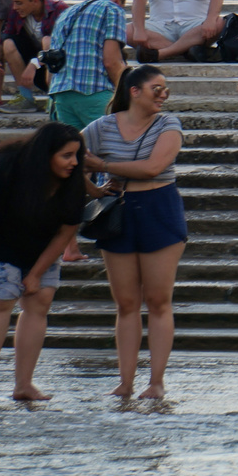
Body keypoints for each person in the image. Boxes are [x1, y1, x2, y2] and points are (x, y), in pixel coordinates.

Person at [0, 122, 89, 406]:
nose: (74, 162)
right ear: (46, 155)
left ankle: (23, 384)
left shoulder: (73, 181)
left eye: (77, 155)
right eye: (66, 155)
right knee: (1, 300)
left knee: (40, 299)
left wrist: (36, 273)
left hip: (41, 243)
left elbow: (66, 231)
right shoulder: (10, 166)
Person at [82, 64, 188, 399]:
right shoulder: (101, 128)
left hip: (159, 207)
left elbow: (154, 167)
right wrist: (94, 188)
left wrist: (103, 167)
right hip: (119, 212)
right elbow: (67, 157)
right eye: (157, 88)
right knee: (126, 303)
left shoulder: (168, 124)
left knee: (158, 300)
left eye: (165, 88)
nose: (164, 94)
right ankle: (125, 382)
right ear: (135, 91)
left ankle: (156, 382)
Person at [46, 0, 128, 130]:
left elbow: (50, 69)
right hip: (94, 91)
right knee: (109, 149)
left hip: (61, 94)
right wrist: (124, 94)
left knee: (74, 150)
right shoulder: (112, 9)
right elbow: (111, 61)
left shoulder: (66, 13)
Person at [0, 0, 68, 113]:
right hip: (34, 72)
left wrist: (35, 62)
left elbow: (64, 47)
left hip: (59, 70)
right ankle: (25, 97)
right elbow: (6, 35)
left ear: (35, 1)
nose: (14, 7)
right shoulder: (16, 12)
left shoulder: (60, 10)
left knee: (48, 40)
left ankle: (55, 98)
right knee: (8, 43)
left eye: (19, 3)